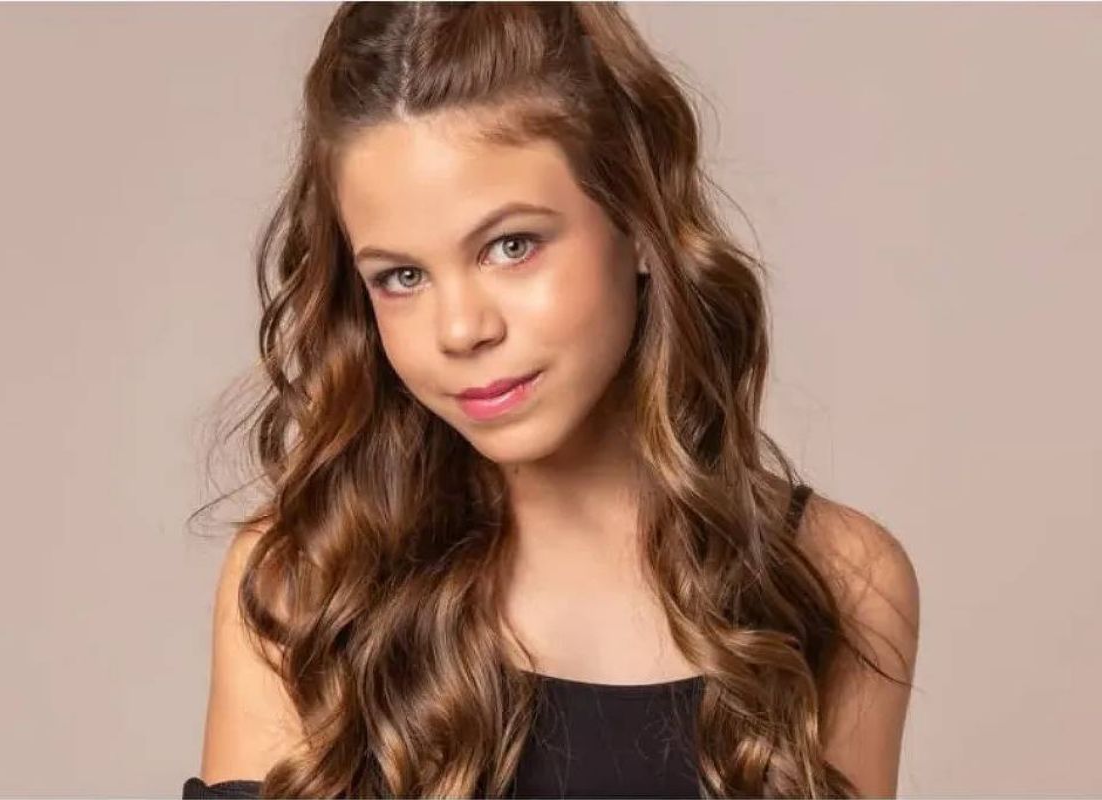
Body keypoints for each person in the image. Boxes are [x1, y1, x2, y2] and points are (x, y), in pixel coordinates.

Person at [182, 2, 920, 798]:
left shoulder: (837, 580)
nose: (460, 328)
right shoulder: (302, 583)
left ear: (639, 222)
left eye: (511, 246)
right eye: (402, 276)